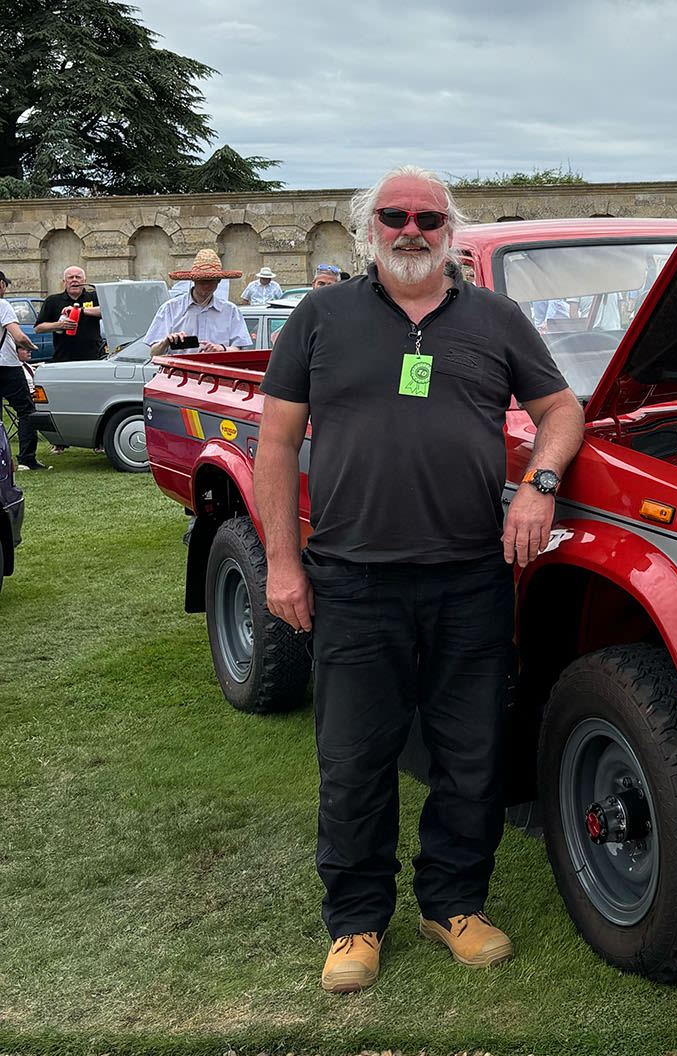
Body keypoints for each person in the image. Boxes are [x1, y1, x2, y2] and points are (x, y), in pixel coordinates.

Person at [257, 164, 584, 995]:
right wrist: (284, 563)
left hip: (469, 577)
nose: (412, 230)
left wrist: (540, 484)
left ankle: (454, 903)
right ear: (369, 228)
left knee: (469, 754)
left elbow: (562, 409)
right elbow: (275, 445)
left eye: (428, 218)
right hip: (354, 579)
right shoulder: (321, 316)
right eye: (395, 216)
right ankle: (357, 921)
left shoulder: (494, 318)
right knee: (355, 759)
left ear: (449, 229)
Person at [145, 250, 254, 356]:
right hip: (180, 372)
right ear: (194, 280)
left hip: (217, 372)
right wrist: (165, 343)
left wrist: (222, 349)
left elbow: (238, 350)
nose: (206, 286)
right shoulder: (170, 308)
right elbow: (154, 353)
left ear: (219, 281)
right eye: (202, 281)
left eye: (211, 281)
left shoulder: (230, 310)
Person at [0, 271, 49, 471]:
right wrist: (31, 347)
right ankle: (26, 459)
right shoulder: (2, 306)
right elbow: (18, 336)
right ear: (1, 284)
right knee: (26, 411)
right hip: (6, 367)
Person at [37, 266, 104, 363]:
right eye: (70, 277)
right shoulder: (53, 300)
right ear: (64, 282)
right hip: (63, 358)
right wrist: (59, 325)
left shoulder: (95, 297)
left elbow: (106, 311)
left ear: (84, 281)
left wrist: (79, 311)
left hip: (93, 357)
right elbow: (38, 328)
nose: (74, 280)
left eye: (78, 277)